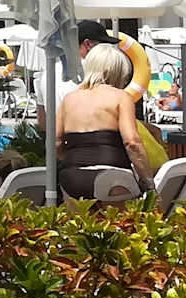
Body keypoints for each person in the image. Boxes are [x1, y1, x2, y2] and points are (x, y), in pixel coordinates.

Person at [56, 43, 155, 200]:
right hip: (112, 174)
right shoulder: (121, 97)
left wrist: (73, 158)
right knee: (122, 216)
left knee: (80, 216)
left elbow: (56, 141)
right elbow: (132, 143)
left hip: (72, 175)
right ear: (118, 72)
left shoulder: (69, 99)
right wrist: (147, 181)